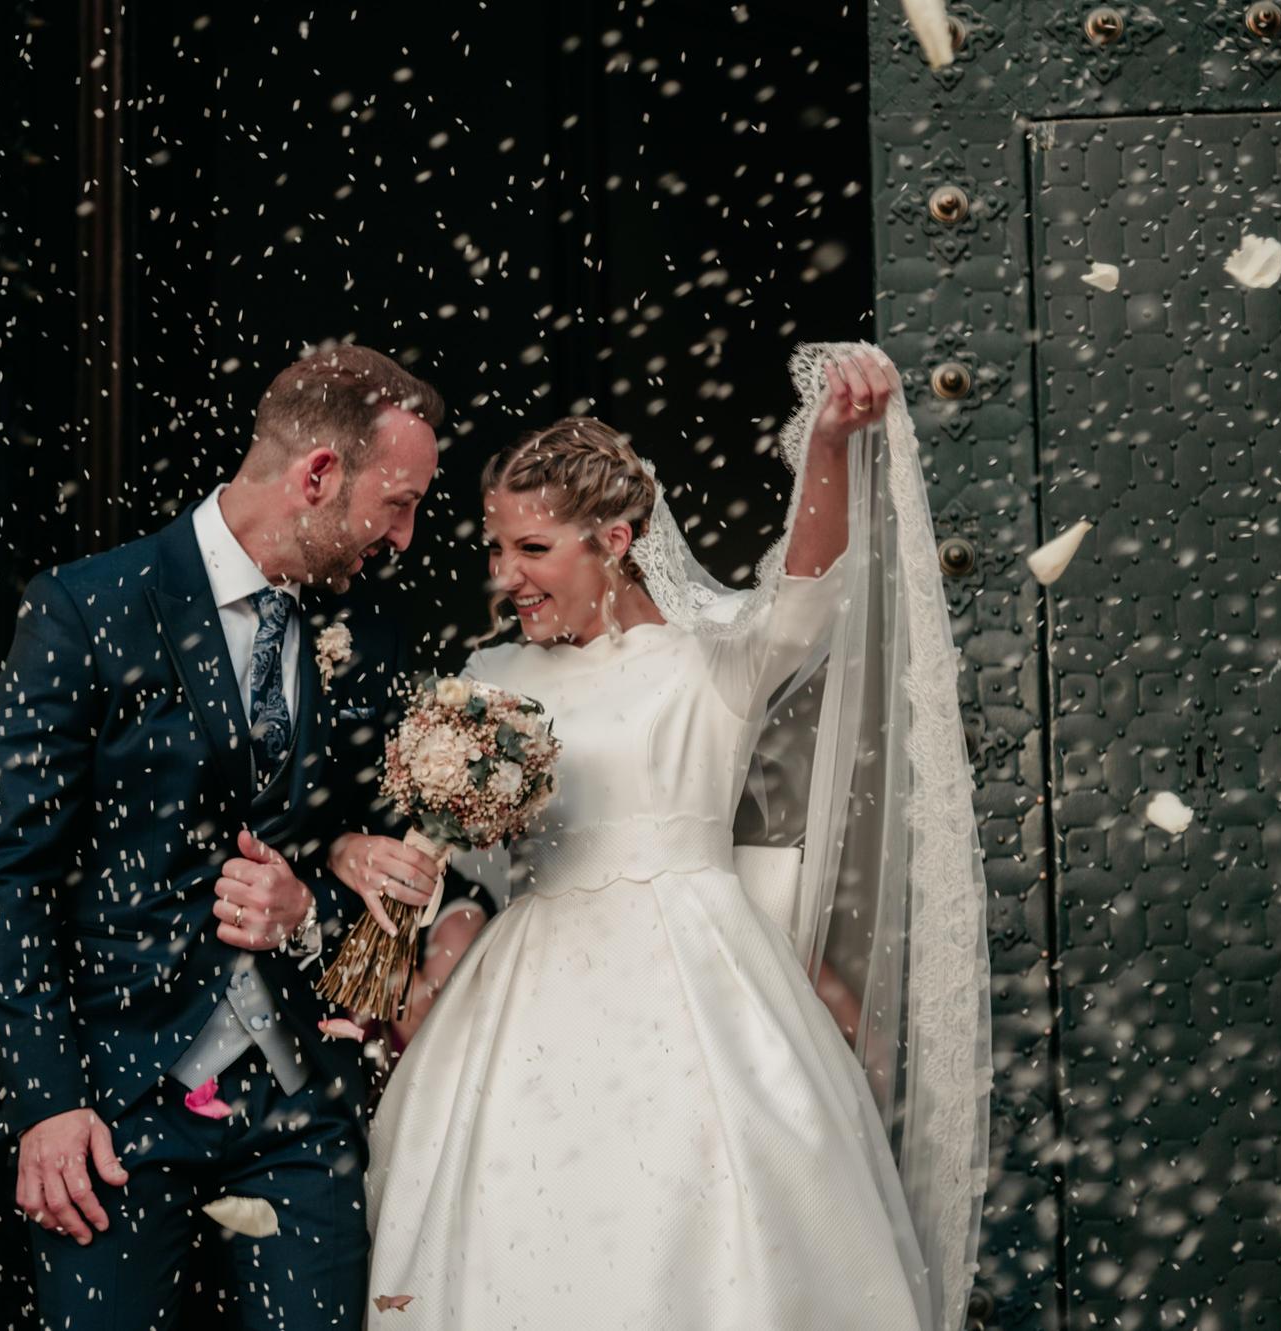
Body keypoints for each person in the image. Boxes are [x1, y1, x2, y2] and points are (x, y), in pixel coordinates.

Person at [360, 343, 994, 1328]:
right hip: (530, 982)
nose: (504, 576)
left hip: (693, 972)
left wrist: (825, 447)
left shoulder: (712, 665)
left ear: (614, 538)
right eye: (495, 549)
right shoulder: (491, 675)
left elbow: (805, 589)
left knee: (703, 1209)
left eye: (531, 549)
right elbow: (464, 866)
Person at [0, 343, 451, 1329]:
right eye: (395, 504)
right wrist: (45, 1100)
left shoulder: (356, 628)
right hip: (112, 1105)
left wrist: (315, 886)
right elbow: (9, 874)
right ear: (316, 476)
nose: (403, 537)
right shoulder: (88, 608)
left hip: (296, 1108)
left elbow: (329, 829)